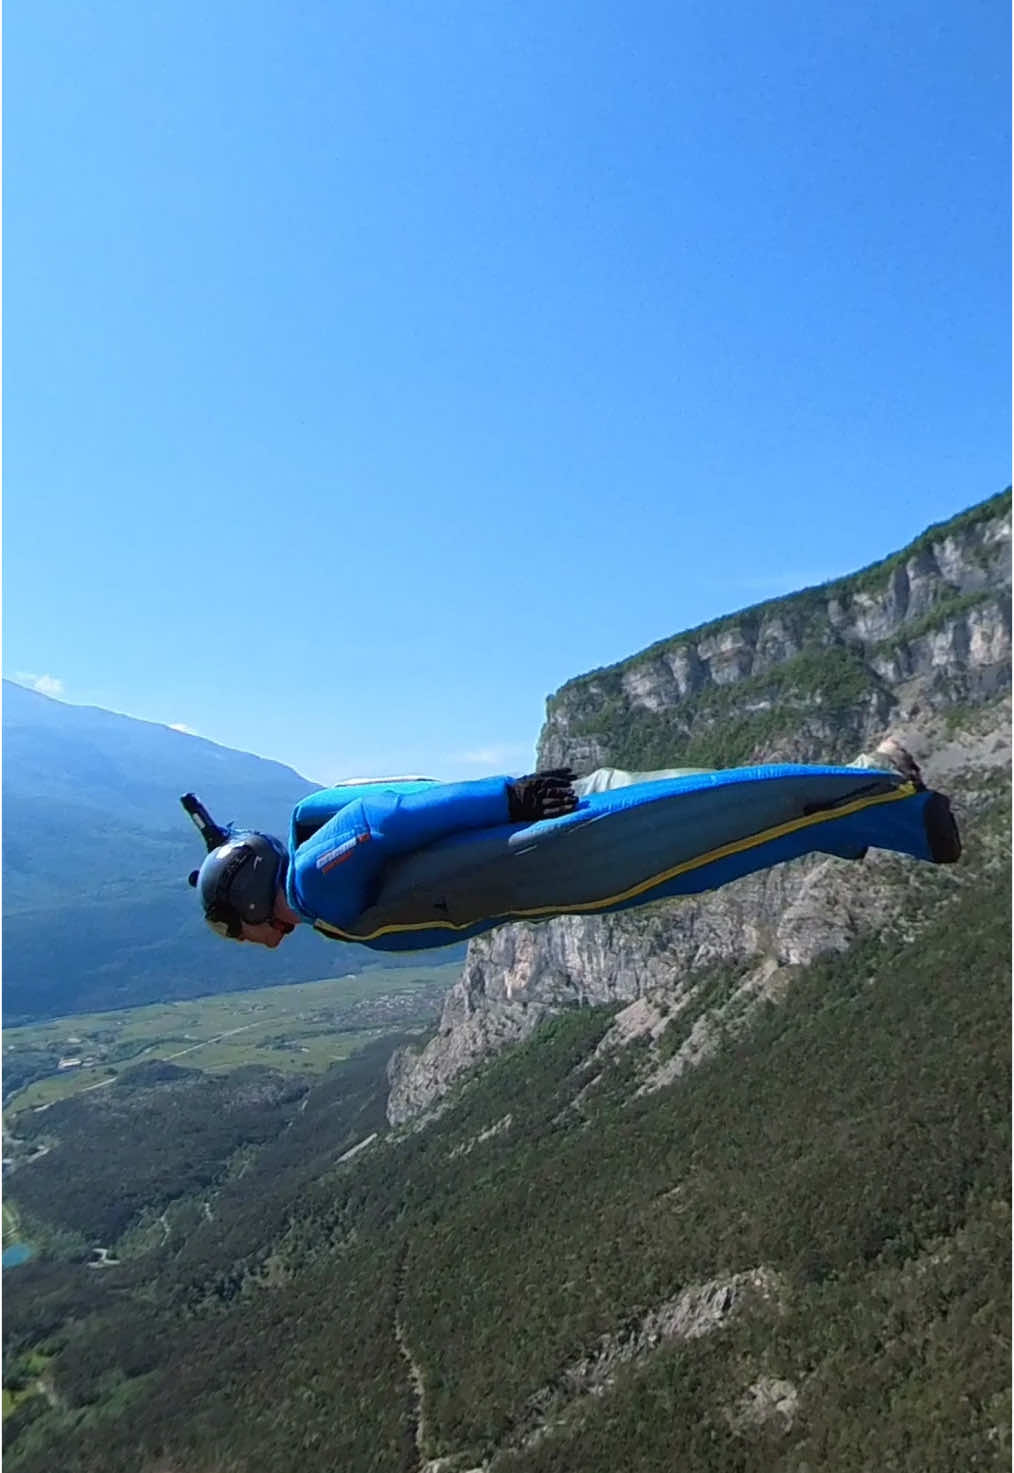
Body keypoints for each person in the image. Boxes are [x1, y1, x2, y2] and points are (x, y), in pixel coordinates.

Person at [182, 737, 956, 951]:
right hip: (553, 843)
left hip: (559, 847)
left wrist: (508, 796)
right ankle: (857, 804)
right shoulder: (320, 904)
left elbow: (379, 819)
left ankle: (874, 788)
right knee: (707, 820)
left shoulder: (317, 887)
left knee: (713, 830)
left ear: (252, 896)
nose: (245, 937)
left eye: (233, 924)